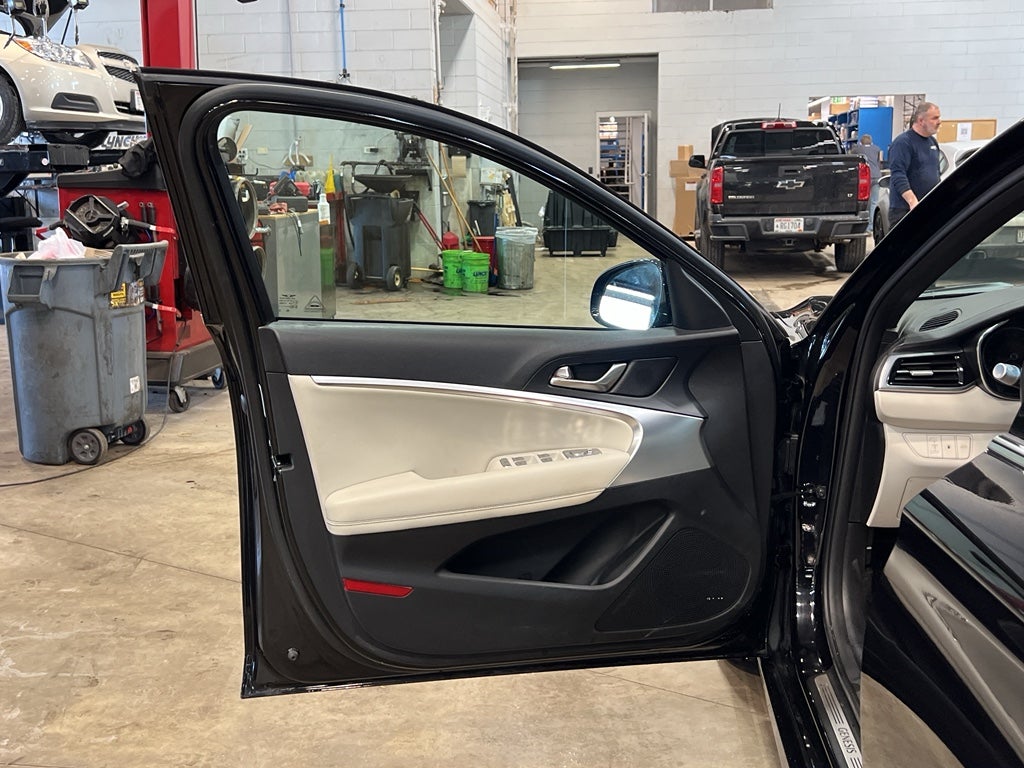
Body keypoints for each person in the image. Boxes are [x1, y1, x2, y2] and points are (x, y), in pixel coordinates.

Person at [887, 102, 942, 229]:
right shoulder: (903, 143)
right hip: (905, 210)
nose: (939, 122)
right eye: (934, 118)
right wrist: (912, 202)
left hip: (929, 209)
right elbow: (898, 174)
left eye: (939, 117)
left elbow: (936, 172)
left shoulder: (932, 142)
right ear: (921, 121)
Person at [850, 133, 883, 224]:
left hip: (864, 177)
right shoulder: (877, 148)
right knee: (874, 201)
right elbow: (880, 161)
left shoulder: (857, 149)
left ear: (861, 142)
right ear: (871, 142)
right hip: (876, 175)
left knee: (863, 201)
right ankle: (871, 225)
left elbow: (851, 156)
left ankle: (862, 223)